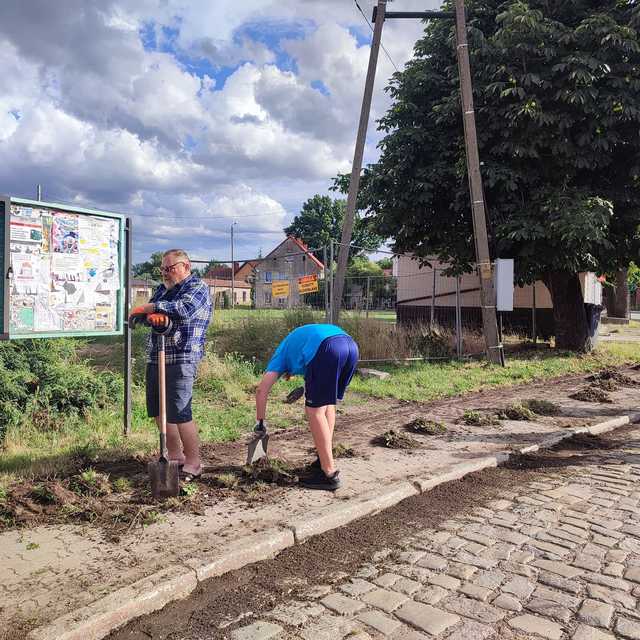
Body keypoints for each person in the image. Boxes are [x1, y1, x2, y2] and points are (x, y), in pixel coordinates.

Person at [129, 249, 212, 482]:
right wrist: (149, 315)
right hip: (157, 354)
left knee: (179, 412)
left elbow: (183, 310)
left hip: (182, 356)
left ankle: (194, 462)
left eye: (170, 268)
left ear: (186, 266)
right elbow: (153, 311)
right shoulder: (162, 290)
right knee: (157, 409)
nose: (165, 273)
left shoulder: (197, 288)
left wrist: (151, 309)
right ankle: (175, 456)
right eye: (163, 269)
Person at [255, 324, 359, 491]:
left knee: (314, 411)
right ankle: (322, 460)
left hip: (326, 349)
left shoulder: (280, 355)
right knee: (327, 405)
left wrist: (260, 423)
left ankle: (329, 474)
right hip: (350, 346)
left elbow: (261, 390)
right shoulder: (298, 347)